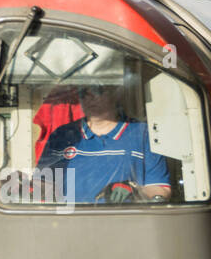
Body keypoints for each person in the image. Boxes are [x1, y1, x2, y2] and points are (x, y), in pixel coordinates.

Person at [36, 83, 171, 203]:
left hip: (125, 222)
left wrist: (134, 191)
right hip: (70, 222)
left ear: (116, 93)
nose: (89, 98)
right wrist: (23, 185)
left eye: (97, 90)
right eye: (83, 92)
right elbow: (45, 184)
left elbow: (161, 190)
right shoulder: (62, 134)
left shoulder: (143, 134)